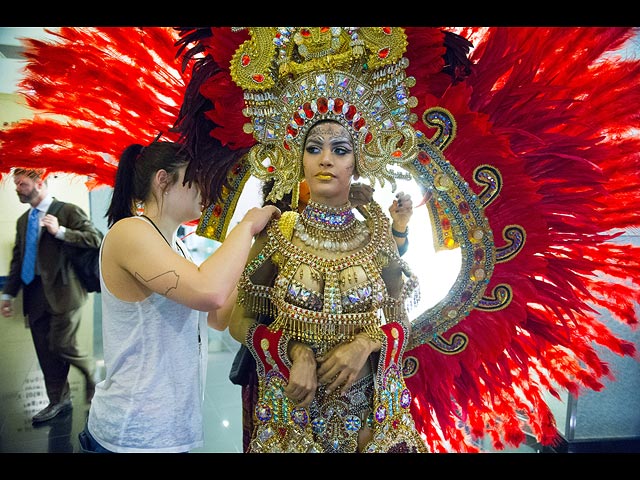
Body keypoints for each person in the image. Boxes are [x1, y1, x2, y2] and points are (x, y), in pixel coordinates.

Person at [228, 119, 427, 453]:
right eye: (313, 148)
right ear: (299, 159)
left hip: (367, 420)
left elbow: (400, 322)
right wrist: (291, 350)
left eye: (340, 150)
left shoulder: (378, 238)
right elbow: (239, 321)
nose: (325, 159)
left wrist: (366, 342)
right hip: (294, 419)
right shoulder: (277, 235)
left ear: (358, 161)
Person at [78, 139, 279, 453]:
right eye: (196, 177)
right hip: (133, 432)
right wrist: (246, 227)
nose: (205, 189)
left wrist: (258, 249)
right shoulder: (129, 232)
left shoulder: (177, 248)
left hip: (170, 429)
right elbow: (209, 292)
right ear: (163, 180)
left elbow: (217, 316)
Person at [1, 168, 102, 424]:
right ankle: (58, 401)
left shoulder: (66, 211)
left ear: (40, 182)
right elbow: (18, 260)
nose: (17, 189)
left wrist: (61, 232)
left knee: (61, 344)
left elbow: (95, 239)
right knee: (45, 352)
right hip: (34, 294)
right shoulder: (24, 220)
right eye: (16, 184)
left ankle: (91, 372)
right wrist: (9, 294)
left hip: (64, 291)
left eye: (22, 184)